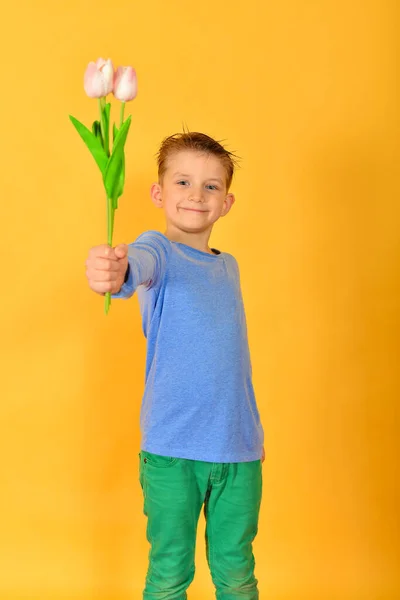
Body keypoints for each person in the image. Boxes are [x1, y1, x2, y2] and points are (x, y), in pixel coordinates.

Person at [85, 131, 265, 599]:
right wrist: (115, 270)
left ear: (226, 202)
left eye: (210, 186)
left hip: (237, 451)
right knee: (169, 573)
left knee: (238, 572)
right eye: (183, 182)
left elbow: (233, 365)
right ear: (158, 193)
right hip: (172, 451)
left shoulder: (230, 267)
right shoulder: (158, 251)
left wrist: (253, 437)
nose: (196, 195)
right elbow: (135, 266)